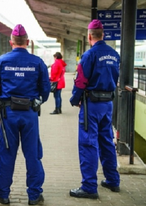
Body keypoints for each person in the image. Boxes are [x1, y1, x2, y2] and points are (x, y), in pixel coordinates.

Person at [0, 24, 50, 205]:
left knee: (6, 153)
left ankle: (2, 194)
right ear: (27, 42)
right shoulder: (37, 62)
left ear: (11, 42)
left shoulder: (1, 61)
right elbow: (45, 89)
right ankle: (34, 195)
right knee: (33, 154)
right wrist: (39, 100)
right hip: (30, 114)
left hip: (8, 115)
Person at [69, 19, 120, 199]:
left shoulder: (89, 55)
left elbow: (81, 81)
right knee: (106, 140)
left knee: (88, 143)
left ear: (89, 36)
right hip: (107, 105)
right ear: (103, 35)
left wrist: (74, 99)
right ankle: (113, 180)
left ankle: (89, 186)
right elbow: (116, 78)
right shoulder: (114, 54)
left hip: (91, 105)